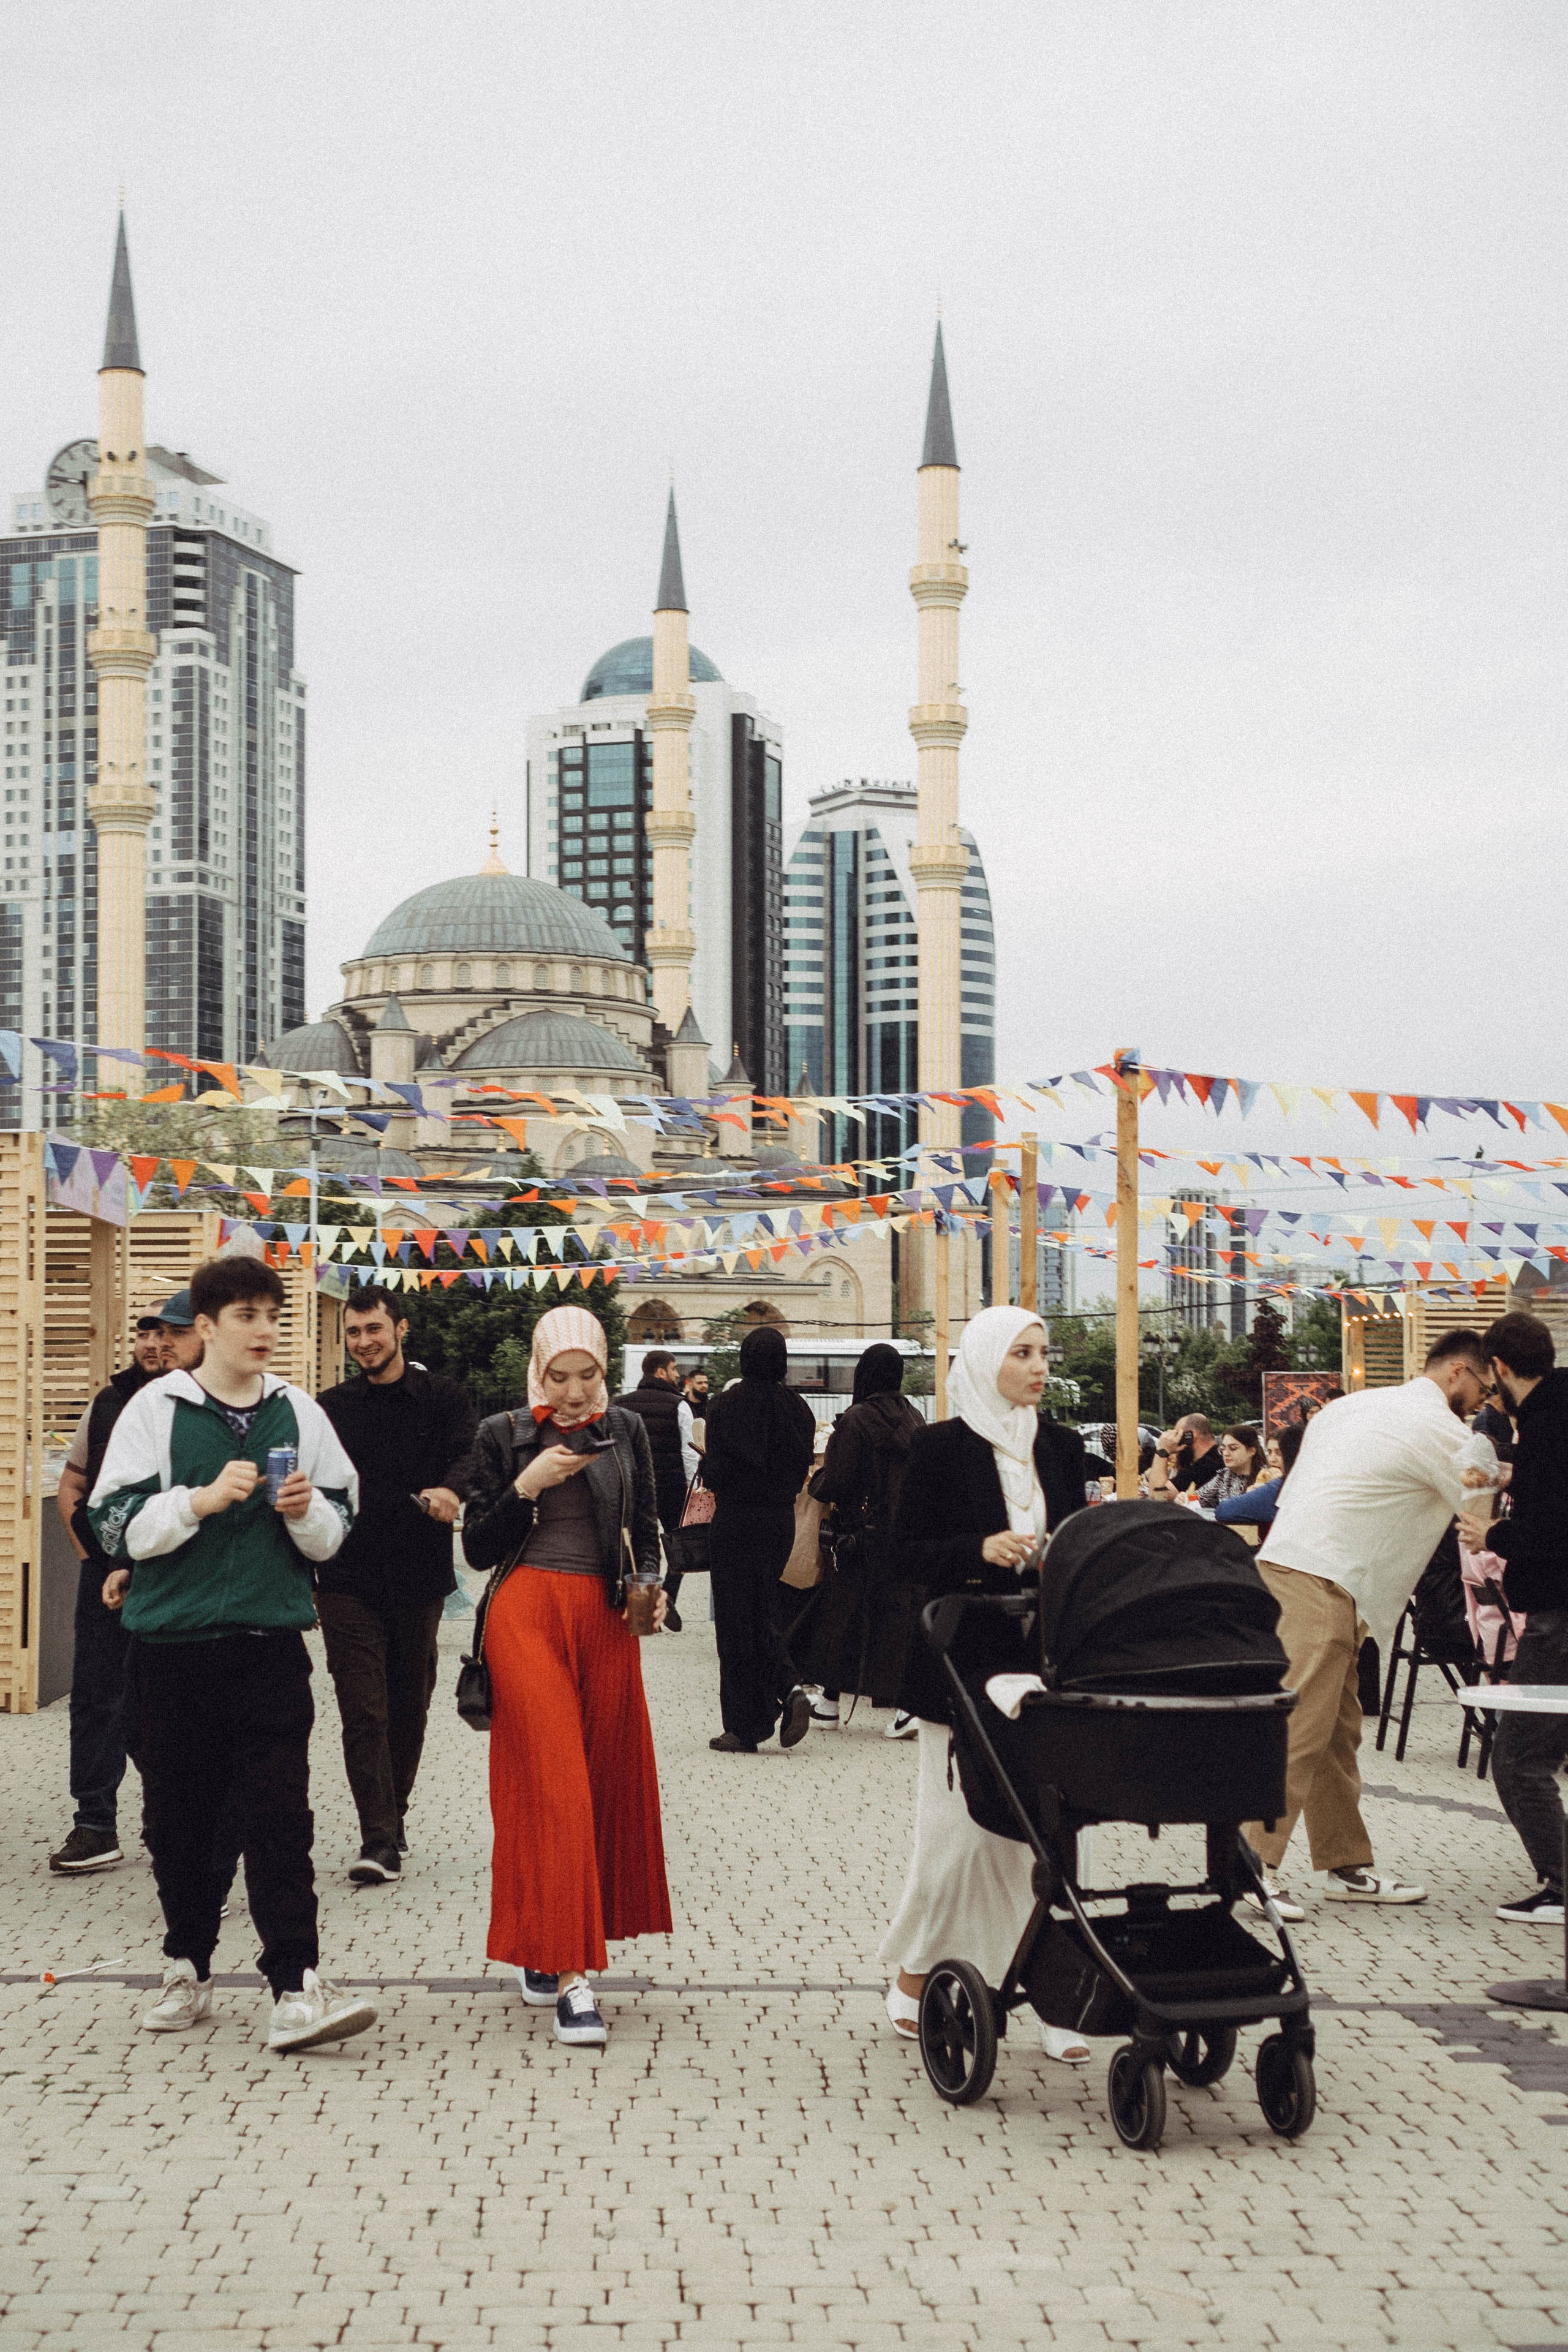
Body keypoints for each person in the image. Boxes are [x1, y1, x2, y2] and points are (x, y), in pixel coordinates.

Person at [90, 1255, 375, 2054]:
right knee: (182, 1823)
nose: (265, 1332)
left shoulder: (299, 1412)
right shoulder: (159, 1409)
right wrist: (199, 1502)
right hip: (171, 1652)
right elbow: (114, 1524)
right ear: (206, 1328)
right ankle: (187, 1964)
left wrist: (304, 1511)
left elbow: (338, 1524)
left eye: (272, 1316)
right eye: (247, 1316)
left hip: (268, 1646)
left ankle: (296, 1986)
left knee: (281, 1817)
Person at [879, 1304, 1093, 2065]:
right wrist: (980, 1548)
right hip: (961, 1663)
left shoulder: (1063, 1448)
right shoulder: (939, 1448)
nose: (1038, 1367)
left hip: (1048, 1664)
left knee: (1054, 1829)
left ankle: (1062, 1993)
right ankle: (916, 1971)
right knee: (961, 1835)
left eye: (1043, 1351)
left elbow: (1080, 1540)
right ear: (982, 1363)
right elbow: (902, 1552)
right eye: (1021, 1354)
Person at [461, 1305, 671, 2049]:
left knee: (601, 1782)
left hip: (608, 1622)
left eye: (589, 1374)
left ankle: (543, 1942)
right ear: (538, 1371)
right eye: (561, 1376)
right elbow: (479, 1551)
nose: (578, 1392)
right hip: (525, 1617)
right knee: (555, 1789)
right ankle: (576, 1980)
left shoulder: (629, 1429)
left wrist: (653, 1582)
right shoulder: (502, 1434)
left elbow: (646, 1525)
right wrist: (528, 1484)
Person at [1237, 1328, 1498, 1921]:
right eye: (1481, 1387)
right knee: (1302, 1726)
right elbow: (1477, 1515)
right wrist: (1494, 1468)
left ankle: (1345, 1865)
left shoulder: (1353, 1405)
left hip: (1299, 1566)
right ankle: (1251, 1868)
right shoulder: (1441, 1429)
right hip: (1327, 1577)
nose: (1482, 1402)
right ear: (1458, 1372)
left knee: (1336, 1731)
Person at [315, 1285, 479, 1885]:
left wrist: (452, 1492)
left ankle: (394, 1813)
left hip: (418, 1575)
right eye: (354, 1333)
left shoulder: (444, 1399)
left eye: (373, 1330)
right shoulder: (330, 1408)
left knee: (408, 1703)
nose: (363, 1342)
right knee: (363, 1708)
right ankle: (377, 1839)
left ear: (400, 1330)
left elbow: (470, 1457)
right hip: (345, 1575)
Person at [47, 1306, 172, 1875]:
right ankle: (94, 1823)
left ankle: (167, 1820)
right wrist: (91, 1559)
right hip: (106, 1578)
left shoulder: (200, 1401)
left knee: (165, 1703)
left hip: (175, 1578)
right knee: (96, 1697)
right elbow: (72, 1483)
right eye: (145, 1334)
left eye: (166, 1334)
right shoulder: (109, 1401)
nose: (154, 1344)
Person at [1478, 1311, 1568, 1924]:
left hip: (1557, 1613)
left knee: (1518, 1759)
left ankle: (1562, 1885)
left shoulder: (1544, 1428)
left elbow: (1548, 1532)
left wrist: (1492, 1532)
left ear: (1501, 1369)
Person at [703, 1324, 818, 1754]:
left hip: (735, 1521)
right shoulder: (800, 1409)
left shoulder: (725, 1407)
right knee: (765, 1607)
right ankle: (785, 1691)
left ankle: (745, 1725)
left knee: (736, 1621)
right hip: (778, 1522)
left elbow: (715, 1472)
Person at [797, 1343, 924, 1733]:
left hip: (858, 1536)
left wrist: (817, 1480)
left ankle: (900, 1709)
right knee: (893, 1618)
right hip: (902, 1534)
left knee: (843, 1615)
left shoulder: (856, 1419)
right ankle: (834, 1703)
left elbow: (838, 1481)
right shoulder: (915, 1417)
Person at [615, 1348, 699, 1632]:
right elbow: (688, 1451)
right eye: (674, 1369)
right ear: (661, 1372)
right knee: (679, 1548)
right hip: (672, 1486)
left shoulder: (621, 1405)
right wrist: (693, 1487)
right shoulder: (679, 1405)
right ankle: (667, 1601)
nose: (678, 1375)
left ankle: (640, 1612)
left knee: (637, 1548)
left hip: (632, 1488)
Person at [1212, 1423, 1305, 1538]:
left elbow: (1223, 1511)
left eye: (1279, 1453)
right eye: (1269, 1452)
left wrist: (1258, 1493)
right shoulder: (1223, 1475)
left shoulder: (1278, 1486)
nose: (1272, 1460)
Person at [1172, 1413, 1224, 1495]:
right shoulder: (1204, 1459)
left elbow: (1161, 1494)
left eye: (1178, 1434)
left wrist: (1163, 1451)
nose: (1176, 1440)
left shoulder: (1208, 1464)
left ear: (1191, 1435)